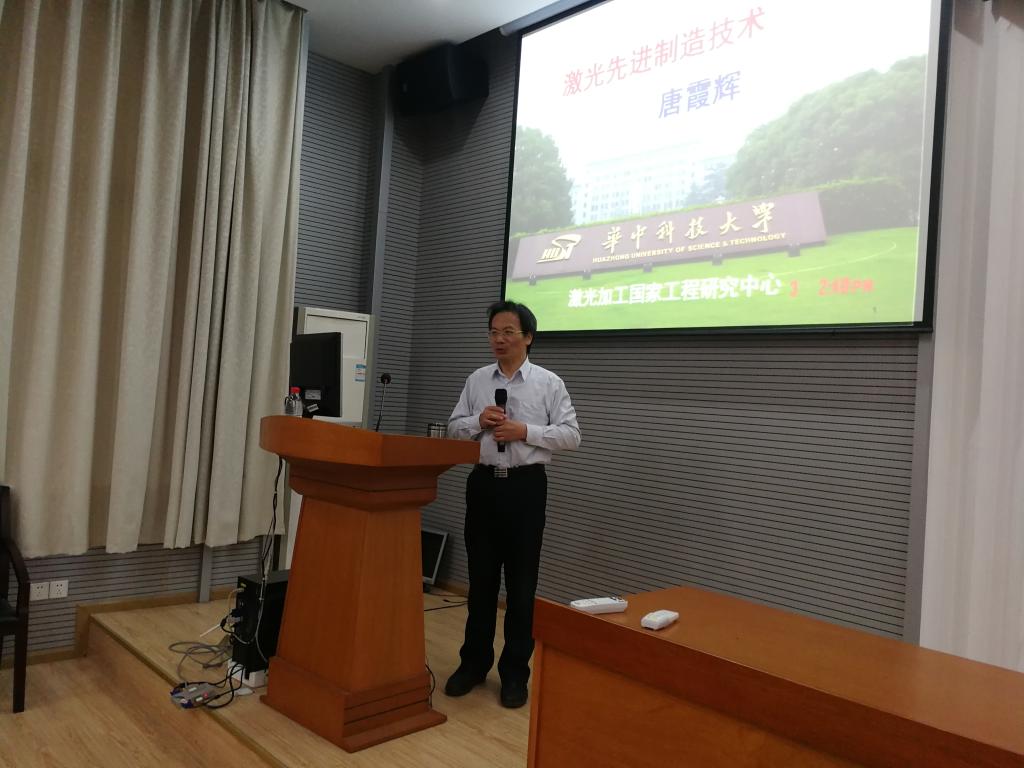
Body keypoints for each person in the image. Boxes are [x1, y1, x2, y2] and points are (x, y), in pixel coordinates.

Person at [444, 300, 581, 709]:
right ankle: (473, 664)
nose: (499, 339)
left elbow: (572, 435)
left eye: (508, 332)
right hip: (483, 486)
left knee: (522, 588)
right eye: (493, 332)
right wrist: (477, 422)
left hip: (526, 488)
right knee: (481, 584)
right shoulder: (477, 380)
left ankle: (515, 674)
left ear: (528, 337)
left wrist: (526, 431)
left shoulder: (548, 383)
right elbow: (452, 429)